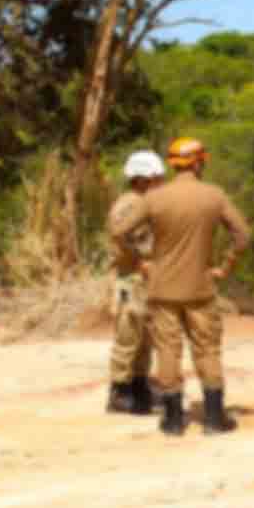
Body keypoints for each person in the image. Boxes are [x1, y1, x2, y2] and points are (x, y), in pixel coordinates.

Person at [113, 136, 253, 437]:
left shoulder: (154, 198)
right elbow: (242, 235)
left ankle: (173, 420)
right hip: (201, 288)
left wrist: (140, 262)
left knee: (167, 350)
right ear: (200, 162)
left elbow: (119, 231)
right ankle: (215, 419)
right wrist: (224, 267)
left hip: (162, 289)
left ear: (174, 165)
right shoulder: (214, 196)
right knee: (207, 349)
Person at [104, 150, 165, 415]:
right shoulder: (128, 204)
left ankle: (140, 385)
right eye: (156, 177)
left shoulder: (145, 202)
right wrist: (141, 262)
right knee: (128, 334)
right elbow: (123, 239)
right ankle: (119, 390)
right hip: (130, 278)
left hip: (146, 278)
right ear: (142, 178)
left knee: (146, 336)